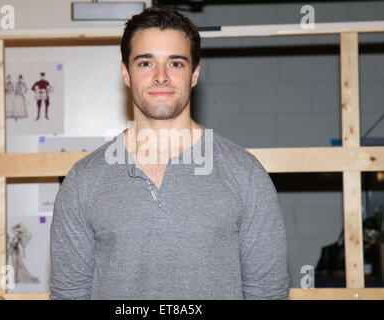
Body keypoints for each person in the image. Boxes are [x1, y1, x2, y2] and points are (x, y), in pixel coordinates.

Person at [50, 7, 289, 300]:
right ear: (126, 73)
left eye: (175, 63)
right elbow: (69, 296)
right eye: (145, 63)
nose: (161, 76)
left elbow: (268, 294)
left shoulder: (245, 174)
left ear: (194, 74)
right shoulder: (83, 180)